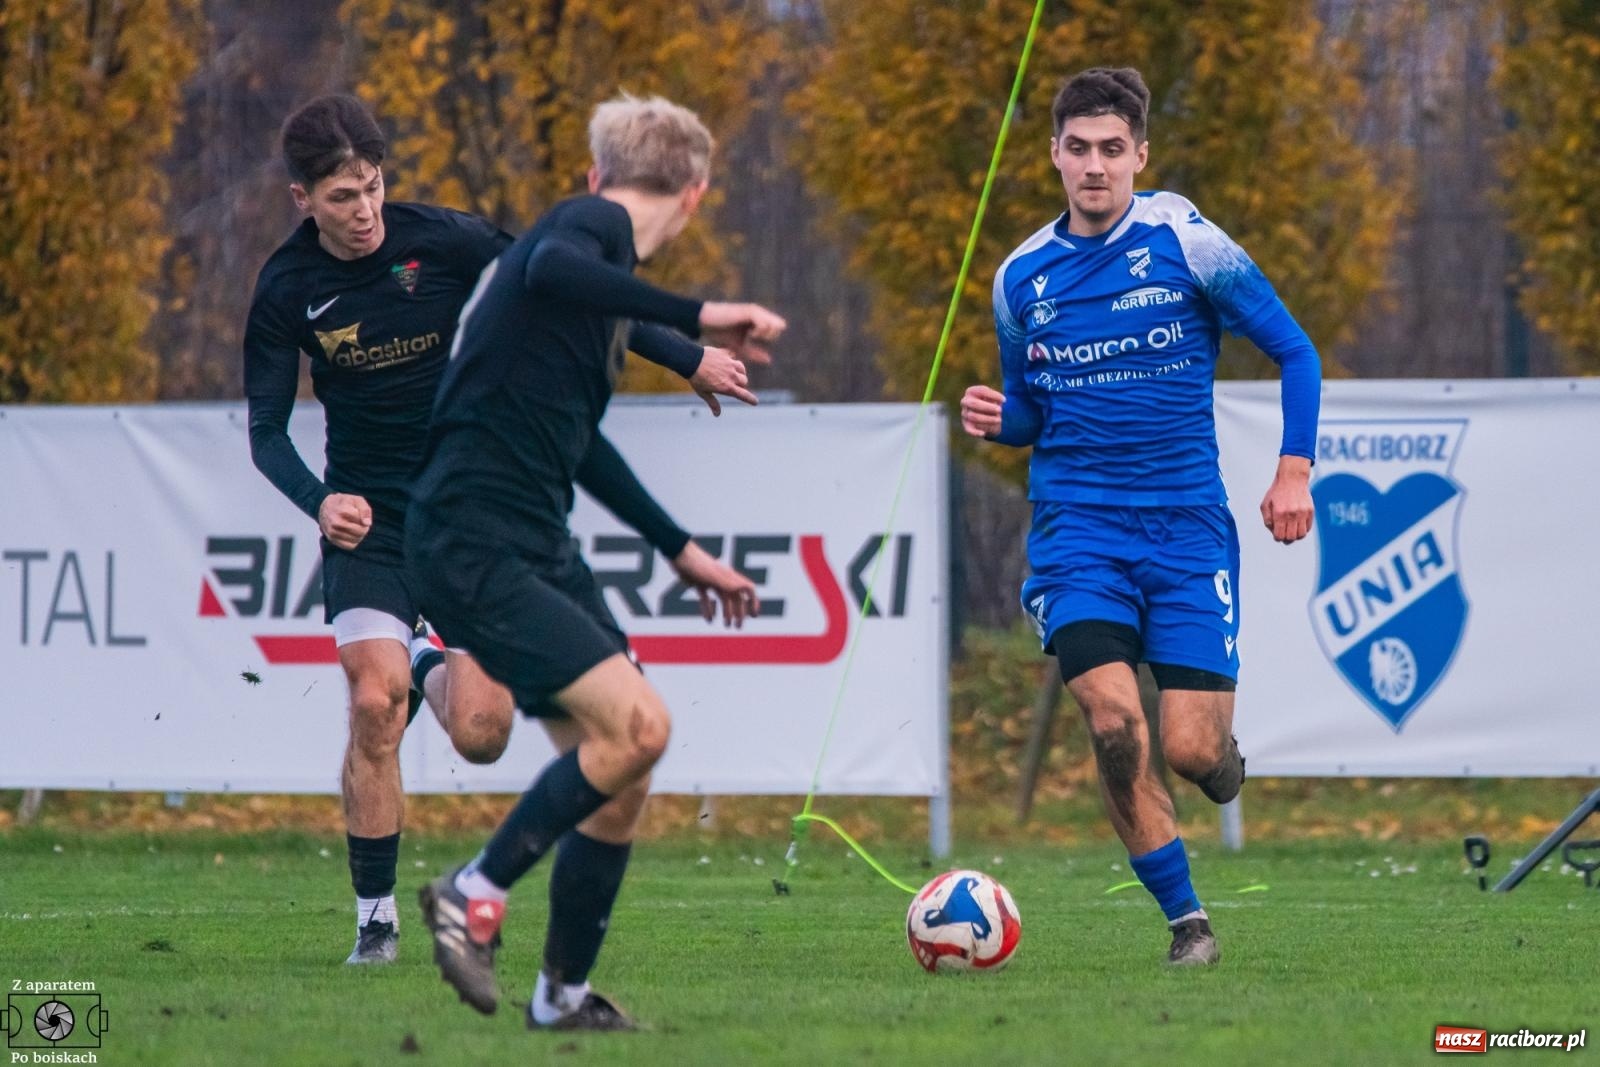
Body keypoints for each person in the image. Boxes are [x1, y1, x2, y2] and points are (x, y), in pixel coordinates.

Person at [242, 94, 758, 966]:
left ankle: (431, 664)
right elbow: (263, 431)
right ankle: (376, 919)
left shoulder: (442, 239)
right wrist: (317, 501)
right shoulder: (288, 287)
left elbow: (567, 290)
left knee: (483, 735)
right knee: (375, 702)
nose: (364, 211)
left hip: (466, 508)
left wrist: (687, 353)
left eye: (372, 189)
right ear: (303, 200)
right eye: (341, 198)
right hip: (369, 523)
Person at [408, 93, 784, 1032]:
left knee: (623, 765)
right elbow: (545, 256)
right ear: (694, 193)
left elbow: (579, 443)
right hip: (476, 535)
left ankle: (561, 995)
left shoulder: (585, 295)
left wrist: (682, 550)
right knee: (643, 724)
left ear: (596, 165)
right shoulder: (587, 233)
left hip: (532, 540)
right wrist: (700, 314)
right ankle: (473, 892)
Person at [960, 67, 1320, 966]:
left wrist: (1292, 474)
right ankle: (1187, 921)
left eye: (1111, 150)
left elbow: (1296, 351)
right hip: (1078, 534)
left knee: (1191, 747)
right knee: (1116, 723)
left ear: (1140, 155)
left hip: (1187, 528)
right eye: (1077, 149)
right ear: (1053, 153)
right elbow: (1035, 409)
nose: (1094, 166)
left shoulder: (1188, 243)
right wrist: (1005, 421)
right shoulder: (1020, 279)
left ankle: (1218, 760)